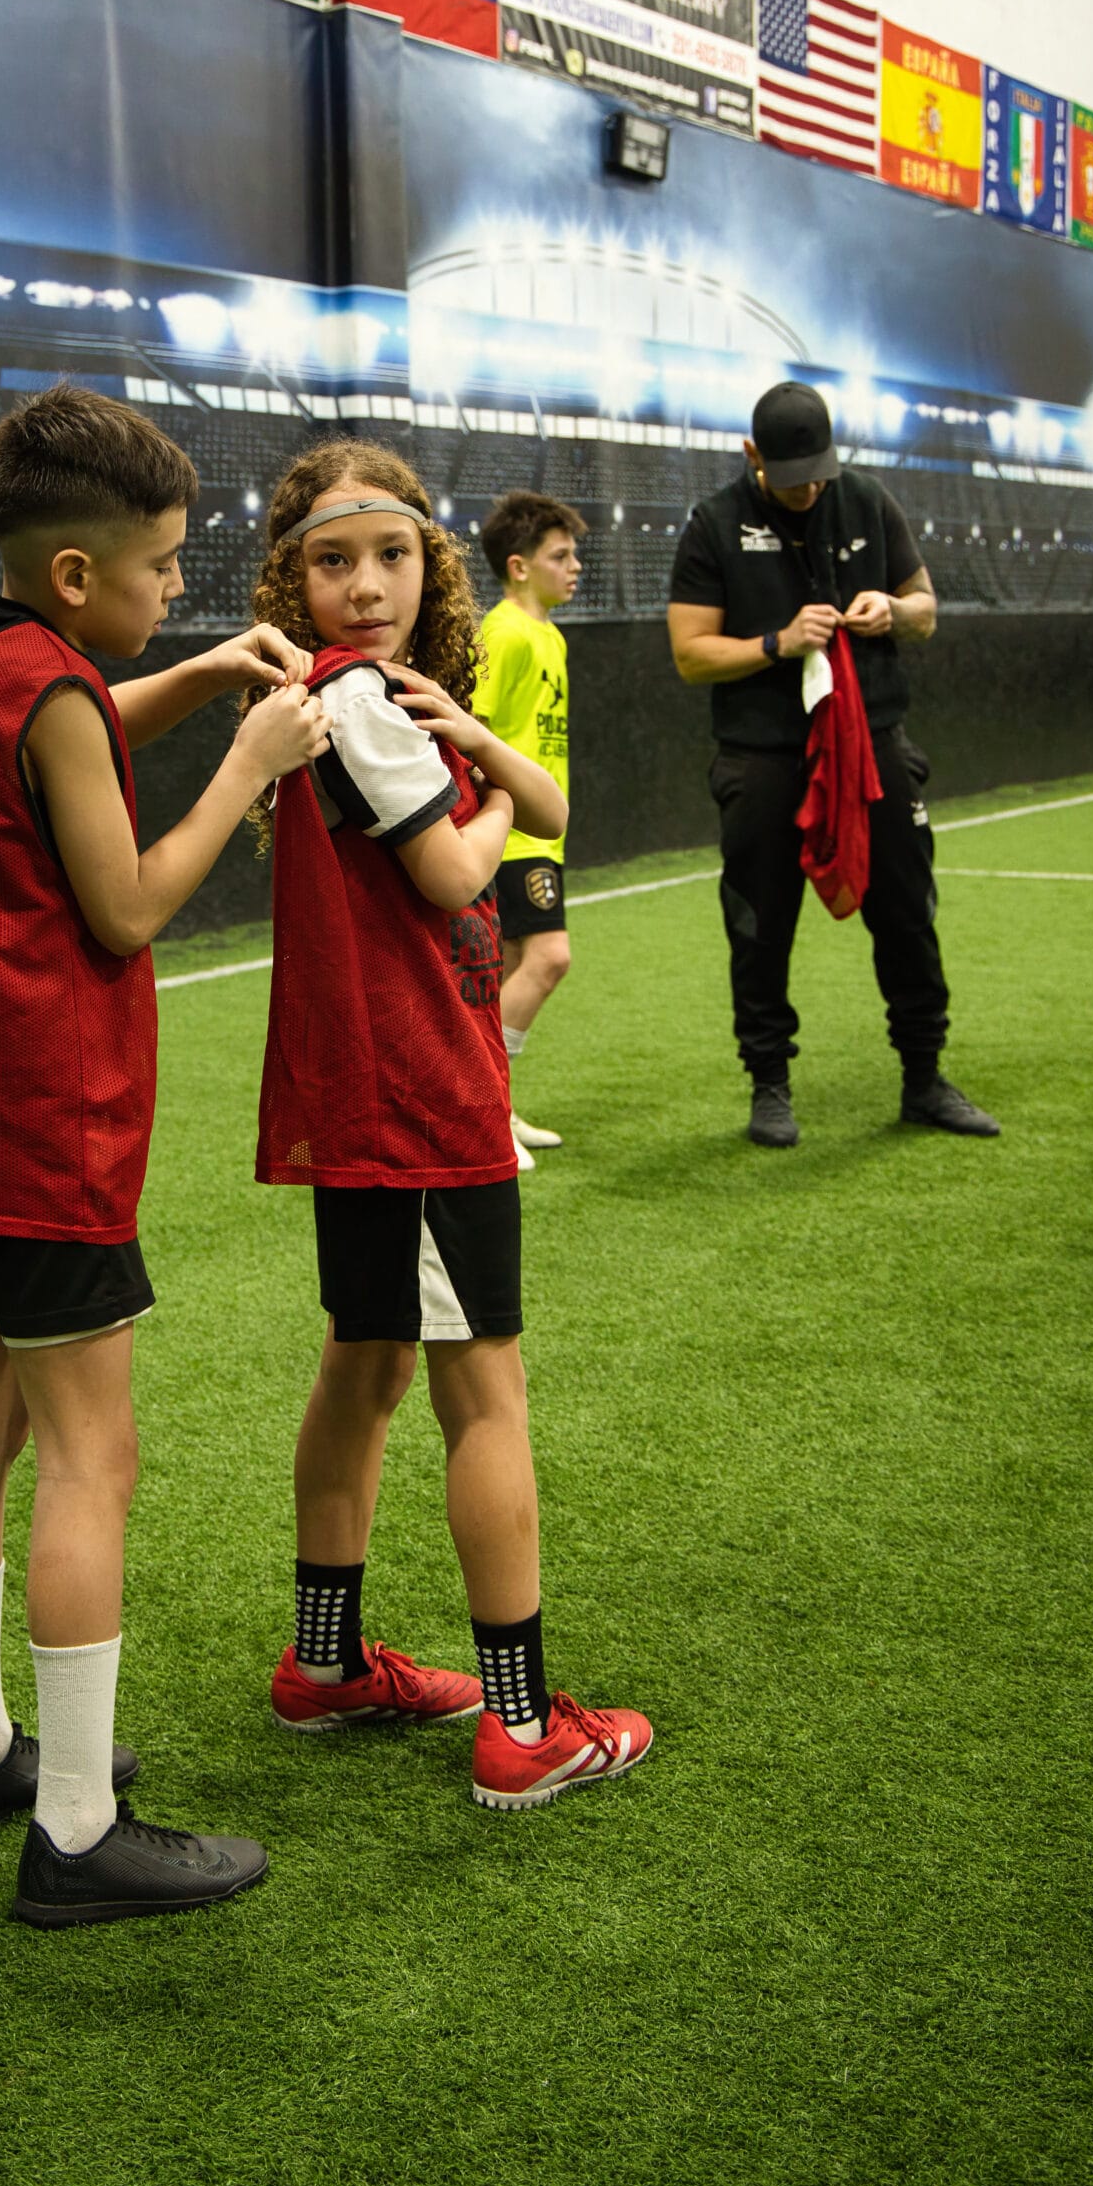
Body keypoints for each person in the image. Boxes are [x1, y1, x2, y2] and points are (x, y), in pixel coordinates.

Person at [0, 385, 326, 1927]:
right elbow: (129, 902)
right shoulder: (53, 692)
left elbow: (60, 735)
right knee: (88, 1458)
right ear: (74, 578)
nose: (176, 590)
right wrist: (250, 757)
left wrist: (196, 676)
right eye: (160, 573)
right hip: (39, 1129)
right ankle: (73, 1834)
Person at [246, 439, 652, 1811]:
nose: (366, 585)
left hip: (374, 1084)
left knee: (363, 1367)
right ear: (292, 578)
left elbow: (550, 804)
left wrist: (479, 744)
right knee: (482, 1388)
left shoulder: (366, 695)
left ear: (435, 565)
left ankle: (323, 1665)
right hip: (414, 1090)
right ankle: (522, 1725)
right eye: (332, 560)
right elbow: (451, 871)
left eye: (392, 557)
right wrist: (479, 788)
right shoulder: (358, 699)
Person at [666, 380, 999, 1149]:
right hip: (761, 754)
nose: (807, 489)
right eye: (790, 477)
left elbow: (926, 609)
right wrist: (775, 642)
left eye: (817, 472)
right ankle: (769, 1083)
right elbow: (689, 655)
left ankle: (923, 1076)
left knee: (908, 917)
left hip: (874, 743)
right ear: (752, 456)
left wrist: (893, 610)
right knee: (759, 926)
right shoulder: (714, 524)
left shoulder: (866, 500)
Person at [473, 492, 585, 1168]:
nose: (574, 566)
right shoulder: (502, 631)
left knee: (513, 968)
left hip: (543, 834)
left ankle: (496, 1111)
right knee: (548, 959)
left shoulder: (548, 633)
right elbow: (472, 727)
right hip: (513, 833)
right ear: (518, 566)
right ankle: (481, 1108)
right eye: (560, 555)